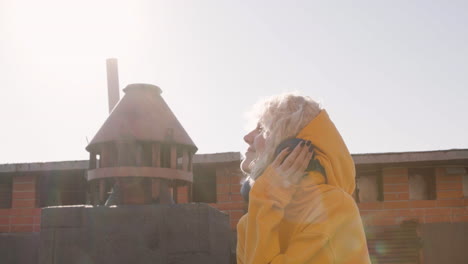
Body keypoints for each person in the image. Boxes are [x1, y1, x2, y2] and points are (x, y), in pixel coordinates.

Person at [236, 93, 371, 264]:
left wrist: (265, 195)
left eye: (262, 129)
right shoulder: (249, 221)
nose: (247, 138)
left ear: (291, 148)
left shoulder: (332, 205)